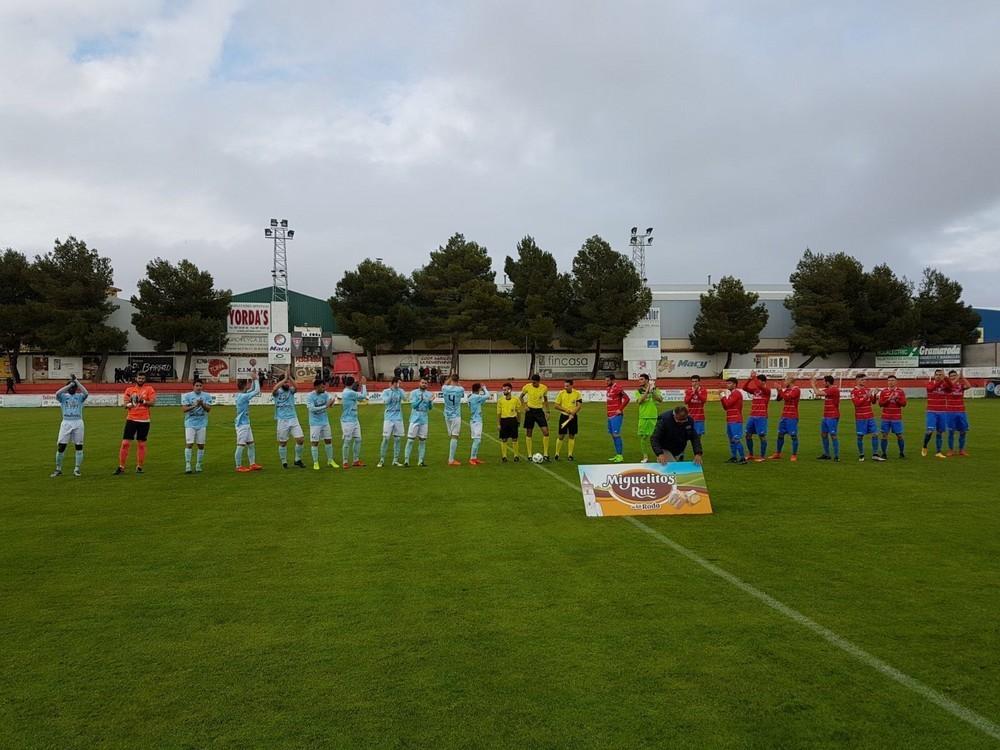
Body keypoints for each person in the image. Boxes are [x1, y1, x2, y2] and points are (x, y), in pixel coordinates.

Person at [115, 372, 156, 475]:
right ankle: (121, 467)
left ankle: (139, 467)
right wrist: (132, 403)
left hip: (144, 420)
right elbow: (125, 405)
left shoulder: (149, 389)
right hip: (131, 419)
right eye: (139, 378)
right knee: (125, 443)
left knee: (141, 444)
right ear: (136, 378)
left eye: (143, 378)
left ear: (145, 379)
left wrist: (143, 401)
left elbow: (153, 402)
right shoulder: (129, 390)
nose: (141, 379)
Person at [51, 375, 88, 477]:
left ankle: (77, 469)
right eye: (70, 387)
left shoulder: (80, 397)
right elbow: (57, 393)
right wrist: (70, 384)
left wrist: (77, 382)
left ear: (76, 389)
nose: (72, 389)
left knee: (79, 446)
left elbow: (86, 392)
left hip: (78, 422)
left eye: (73, 387)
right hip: (66, 422)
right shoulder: (63, 397)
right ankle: (58, 469)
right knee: (61, 446)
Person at [272, 368, 306, 469]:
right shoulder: (277, 392)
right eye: (285, 382)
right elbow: (274, 389)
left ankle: (297, 460)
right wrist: (283, 380)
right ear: (281, 382)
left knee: (300, 439)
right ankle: (284, 462)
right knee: (283, 443)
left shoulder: (291, 391)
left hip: (293, 418)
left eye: (288, 382)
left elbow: (297, 386)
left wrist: (289, 377)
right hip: (282, 420)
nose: (287, 384)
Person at [181, 378, 214, 474]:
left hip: (202, 422)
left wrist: (202, 404)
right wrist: (194, 405)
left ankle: (198, 464)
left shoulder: (206, 396)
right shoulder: (187, 395)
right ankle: (188, 464)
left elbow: (208, 409)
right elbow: (184, 409)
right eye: (197, 386)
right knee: (189, 443)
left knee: (201, 445)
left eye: (200, 386)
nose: (199, 387)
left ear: (202, 386)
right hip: (190, 422)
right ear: (193, 386)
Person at [305, 378, 338, 470]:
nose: (324, 389)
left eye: (324, 387)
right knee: (315, 442)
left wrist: (332, 402)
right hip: (315, 423)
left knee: (328, 440)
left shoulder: (325, 394)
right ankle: (315, 462)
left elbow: (330, 404)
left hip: (325, 421)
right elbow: (312, 409)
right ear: (316, 387)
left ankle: (330, 460)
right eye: (322, 387)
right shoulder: (310, 396)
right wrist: (326, 406)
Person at [234, 370, 262, 472]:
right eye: (248, 383)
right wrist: (256, 379)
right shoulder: (243, 396)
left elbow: (252, 389)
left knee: (251, 444)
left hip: (246, 423)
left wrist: (254, 380)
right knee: (241, 445)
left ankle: (252, 464)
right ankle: (238, 466)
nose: (249, 385)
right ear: (246, 385)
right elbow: (256, 391)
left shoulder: (240, 395)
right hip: (242, 424)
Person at [337, 375, 368, 467]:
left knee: (358, 439)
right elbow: (363, 397)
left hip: (354, 419)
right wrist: (364, 385)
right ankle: (345, 462)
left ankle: (355, 460)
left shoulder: (349, 392)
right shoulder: (348, 393)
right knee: (347, 440)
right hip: (347, 420)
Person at [769, 373, 801, 461]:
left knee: (793, 436)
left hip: (792, 416)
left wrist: (780, 390)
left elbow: (788, 398)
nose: (784, 382)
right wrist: (778, 390)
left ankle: (794, 455)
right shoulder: (786, 390)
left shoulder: (796, 389)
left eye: (785, 380)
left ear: (790, 381)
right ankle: (778, 453)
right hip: (784, 416)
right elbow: (779, 399)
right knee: (780, 435)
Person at [811, 374, 842, 461]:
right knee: (824, 434)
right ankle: (827, 454)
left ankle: (836, 456)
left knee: (833, 435)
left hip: (832, 416)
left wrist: (813, 384)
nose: (823, 383)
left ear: (828, 382)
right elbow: (819, 393)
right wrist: (815, 386)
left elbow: (817, 393)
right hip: (826, 416)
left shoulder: (833, 389)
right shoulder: (829, 389)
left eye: (824, 381)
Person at [404, 377, 434, 467]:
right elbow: (413, 406)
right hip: (415, 418)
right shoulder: (414, 393)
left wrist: (429, 402)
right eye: (422, 382)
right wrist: (420, 400)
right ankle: (406, 460)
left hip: (424, 419)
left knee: (422, 440)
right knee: (410, 440)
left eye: (425, 383)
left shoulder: (429, 394)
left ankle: (420, 461)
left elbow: (430, 408)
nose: (424, 384)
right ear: (419, 383)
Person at [850, 373, 879, 462]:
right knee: (860, 436)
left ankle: (875, 454)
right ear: (857, 380)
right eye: (863, 380)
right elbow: (857, 404)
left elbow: (873, 402)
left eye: (865, 380)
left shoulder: (867, 389)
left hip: (870, 416)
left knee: (875, 434)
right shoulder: (854, 391)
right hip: (861, 418)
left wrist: (874, 395)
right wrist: (867, 395)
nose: (864, 381)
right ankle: (861, 454)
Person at [634, 374, 663, 462]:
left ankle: (659, 455)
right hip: (643, 417)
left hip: (653, 416)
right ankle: (645, 456)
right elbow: (639, 401)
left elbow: (660, 399)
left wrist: (652, 391)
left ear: (647, 380)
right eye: (639, 379)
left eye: (642, 379)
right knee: (643, 437)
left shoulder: (655, 389)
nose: (640, 381)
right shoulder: (638, 391)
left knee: (657, 437)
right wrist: (647, 391)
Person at [922, 369, 951, 458]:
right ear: (934, 376)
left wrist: (946, 378)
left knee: (940, 432)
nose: (938, 376)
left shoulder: (944, 385)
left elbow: (951, 387)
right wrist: (942, 380)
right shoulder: (930, 383)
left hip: (942, 412)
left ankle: (938, 452)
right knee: (929, 431)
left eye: (940, 374)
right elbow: (931, 389)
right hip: (931, 411)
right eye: (937, 374)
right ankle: (924, 446)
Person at [378, 376, 407, 468]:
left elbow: (405, 398)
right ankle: (381, 460)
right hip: (388, 418)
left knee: (397, 439)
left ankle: (395, 460)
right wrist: (392, 391)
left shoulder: (400, 391)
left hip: (398, 417)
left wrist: (399, 390)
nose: (399, 385)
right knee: (386, 438)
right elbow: (386, 402)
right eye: (398, 383)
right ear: (394, 383)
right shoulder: (386, 391)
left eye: (400, 383)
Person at [742, 371, 770, 462]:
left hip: (761, 416)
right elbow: (744, 387)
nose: (756, 383)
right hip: (752, 416)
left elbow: (759, 386)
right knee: (748, 435)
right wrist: (749, 379)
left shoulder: (767, 391)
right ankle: (751, 454)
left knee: (762, 435)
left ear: (763, 382)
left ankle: (762, 456)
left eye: (758, 381)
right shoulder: (755, 391)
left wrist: (754, 378)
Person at [877, 374, 907, 459]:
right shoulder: (884, 391)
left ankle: (901, 453)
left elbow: (904, 404)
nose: (891, 382)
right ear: (887, 382)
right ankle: (884, 453)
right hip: (885, 418)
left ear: (896, 382)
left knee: (899, 435)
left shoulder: (900, 391)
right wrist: (888, 399)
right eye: (889, 380)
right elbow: (880, 404)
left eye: (893, 380)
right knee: (884, 435)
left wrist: (897, 399)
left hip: (896, 418)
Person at [552, 379, 583, 461]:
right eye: (565, 386)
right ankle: (557, 453)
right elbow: (556, 405)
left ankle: (570, 454)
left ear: (572, 385)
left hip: (573, 417)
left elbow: (579, 405)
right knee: (561, 435)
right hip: (564, 416)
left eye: (567, 386)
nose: (565, 387)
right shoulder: (561, 393)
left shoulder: (577, 393)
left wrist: (573, 413)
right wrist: (566, 410)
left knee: (572, 435)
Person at [720, 376, 746, 464]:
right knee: (731, 440)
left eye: (729, 383)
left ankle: (743, 458)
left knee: (736, 439)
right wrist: (722, 398)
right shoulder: (732, 394)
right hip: (730, 420)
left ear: (735, 385)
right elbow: (725, 407)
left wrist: (723, 396)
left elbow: (727, 403)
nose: (728, 385)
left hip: (735, 420)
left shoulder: (736, 393)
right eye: (727, 383)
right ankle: (734, 457)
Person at [442, 373, 466, 466]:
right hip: (456, 415)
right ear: (458, 380)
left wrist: (449, 379)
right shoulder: (460, 389)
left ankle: (451, 458)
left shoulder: (445, 388)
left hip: (447, 415)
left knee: (451, 435)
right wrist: (456, 382)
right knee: (455, 436)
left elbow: (445, 383)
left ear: (451, 379)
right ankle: (451, 459)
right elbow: (460, 388)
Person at [605, 374, 630, 463]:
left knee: (616, 434)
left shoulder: (617, 388)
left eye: (608, 380)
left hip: (616, 415)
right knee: (613, 435)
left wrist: (620, 409)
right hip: (610, 415)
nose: (606, 382)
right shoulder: (608, 388)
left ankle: (620, 456)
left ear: (613, 380)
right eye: (606, 380)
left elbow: (627, 399)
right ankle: (617, 454)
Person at [946, 369, 971, 456]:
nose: (953, 377)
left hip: (961, 412)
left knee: (963, 431)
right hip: (950, 412)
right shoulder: (947, 386)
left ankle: (961, 450)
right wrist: (958, 377)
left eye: (954, 375)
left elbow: (969, 386)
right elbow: (951, 384)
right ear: (949, 378)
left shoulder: (960, 386)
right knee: (951, 431)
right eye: (951, 376)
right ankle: (950, 450)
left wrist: (963, 377)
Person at [496, 382, 522, 463]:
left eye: (506, 389)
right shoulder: (500, 400)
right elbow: (498, 413)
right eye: (503, 389)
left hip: (513, 420)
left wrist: (518, 421)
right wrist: (498, 424)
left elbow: (519, 411)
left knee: (515, 438)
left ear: (510, 390)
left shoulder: (516, 400)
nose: (504, 391)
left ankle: (516, 456)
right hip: (504, 421)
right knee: (504, 439)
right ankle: (504, 456)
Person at [467, 382, 490, 464]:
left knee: (477, 439)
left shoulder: (471, 397)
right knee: (477, 440)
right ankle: (472, 458)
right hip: (476, 420)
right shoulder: (476, 397)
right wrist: (485, 388)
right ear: (478, 389)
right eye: (480, 388)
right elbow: (488, 396)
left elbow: (481, 402)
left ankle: (474, 457)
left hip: (474, 419)